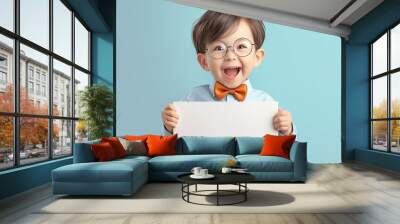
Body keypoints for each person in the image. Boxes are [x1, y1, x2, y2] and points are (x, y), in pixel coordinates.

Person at [161, 10, 294, 135]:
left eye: (241, 46)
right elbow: (174, 144)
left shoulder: (265, 102)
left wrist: (287, 129)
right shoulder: (192, 99)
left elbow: (283, 147)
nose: (230, 56)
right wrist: (169, 126)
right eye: (219, 48)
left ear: (257, 57)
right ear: (204, 61)